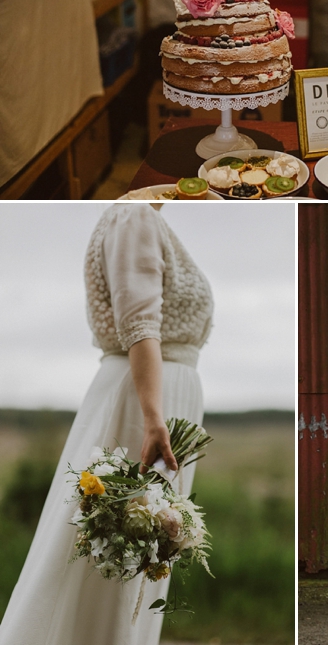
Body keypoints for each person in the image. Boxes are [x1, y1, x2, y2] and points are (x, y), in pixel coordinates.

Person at [0, 204, 212, 645]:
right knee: (116, 540)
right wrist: (153, 418)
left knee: (149, 545)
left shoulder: (152, 221)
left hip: (166, 397)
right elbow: (139, 324)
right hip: (143, 401)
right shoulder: (134, 216)